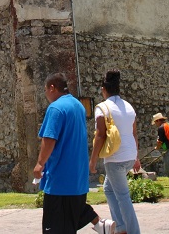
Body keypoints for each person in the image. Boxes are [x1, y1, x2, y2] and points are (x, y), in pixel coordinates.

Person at [34, 72, 116, 234]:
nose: (45, 95)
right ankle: (100, 224)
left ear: (52, 88)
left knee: (54, 228)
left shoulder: (56, 108)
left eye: (45, 90)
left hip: (59, 181)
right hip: (77, 179)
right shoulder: (78, 106)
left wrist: (40, 164)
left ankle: (100, 224)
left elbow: (49, 139)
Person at [89, 70, 141, 234]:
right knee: (109, 189)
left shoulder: (102, 108)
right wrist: (136, 156)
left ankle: (131, 230)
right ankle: (120, 227)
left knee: (123, 196)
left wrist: (93, 159)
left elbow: (100, 135)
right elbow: (134, 133)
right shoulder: (128, 106)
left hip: (115, 158)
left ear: (103, 89)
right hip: (129, 155)